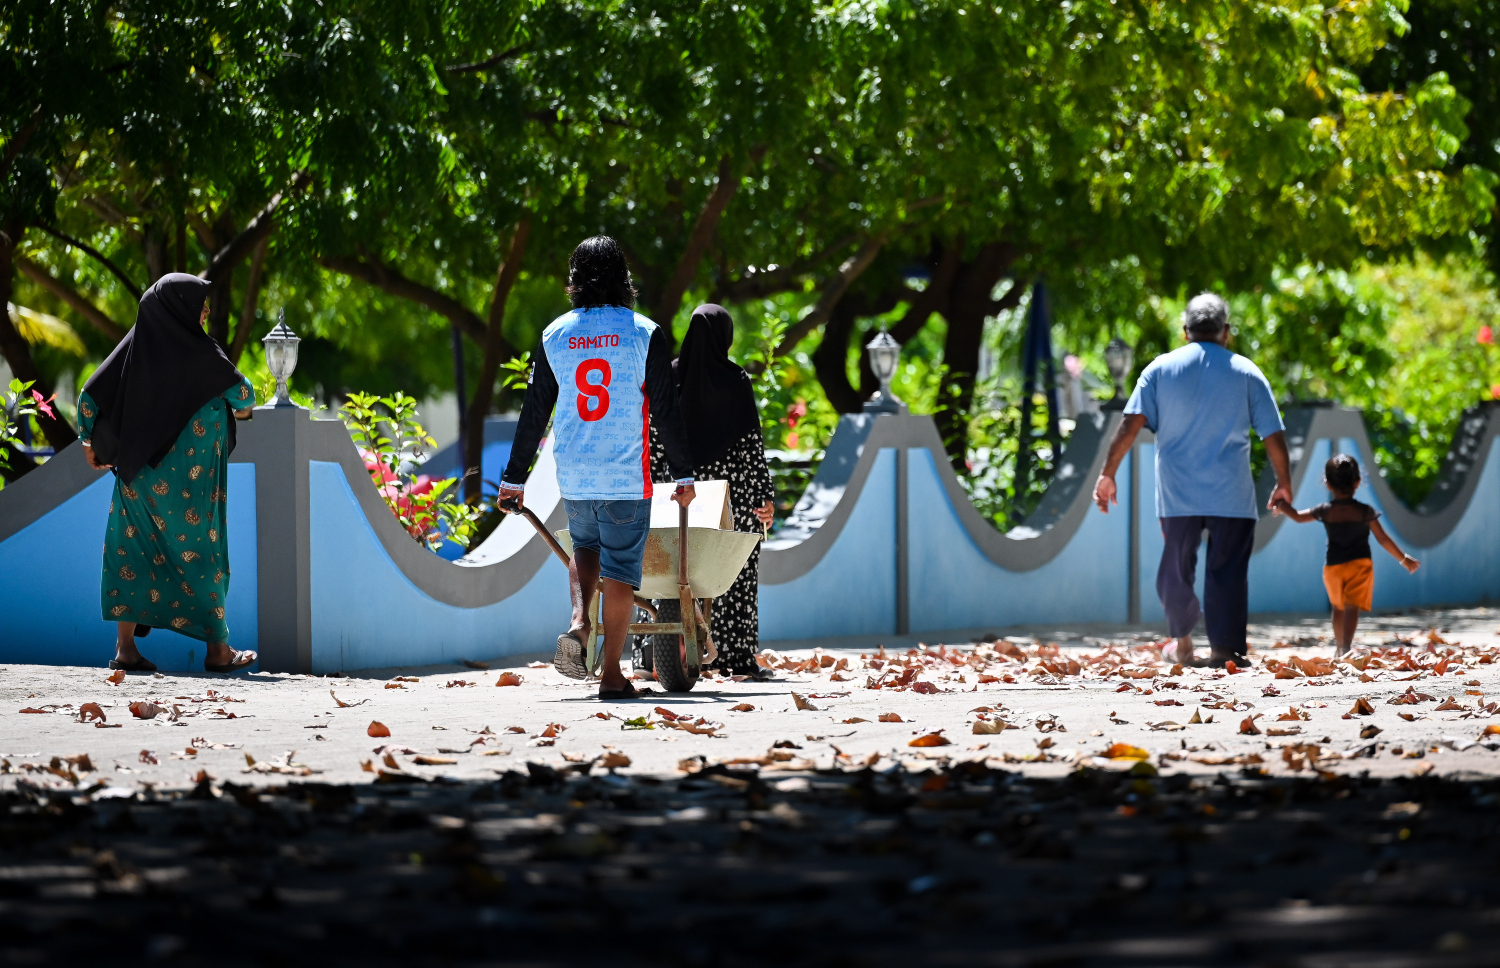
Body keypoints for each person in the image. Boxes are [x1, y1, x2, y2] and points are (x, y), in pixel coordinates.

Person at [498, 236, 696, 700]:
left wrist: (513, 477)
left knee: (584, 546)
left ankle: (578, 621)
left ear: (574, 280)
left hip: (575, 471)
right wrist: (684, 476)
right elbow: (666, 410)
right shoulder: (643, 333)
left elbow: (535, 410)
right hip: (626, 474)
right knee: (622, 571)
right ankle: (611, 674)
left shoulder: (555, 334)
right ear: (623, 278)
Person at [1092, 292, 1294, 668]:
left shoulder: (1158, 370)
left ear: (1185, 332)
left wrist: (1107, 475)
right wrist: (1283, 483)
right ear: (1226, 332)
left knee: (1175, 569)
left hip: (1177, 497)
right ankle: (1226, 651)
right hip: (1232, 497)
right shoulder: (1247, 372)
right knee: (1228, 573)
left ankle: (1182, 641)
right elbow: (1273, 436)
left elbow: (1129, 424)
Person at [77, 273, 258, 674]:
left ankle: (126, 650)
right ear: (179, 307)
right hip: (193, 491)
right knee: (204, 556)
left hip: (138, 481)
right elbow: (245, 396)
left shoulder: (136, 348)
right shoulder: (203, 355)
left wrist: (88, 443)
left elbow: (89, 397)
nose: (206, 310)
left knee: (132, 555)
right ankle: (217, 651)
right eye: (199, 303)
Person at [640, 304, 776, 679]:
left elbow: (654, 439)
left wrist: (647, 489)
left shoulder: (668, 378)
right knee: (735, 572)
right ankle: (735, 657)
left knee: (663, 569)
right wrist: (763, 498)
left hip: (677, 495)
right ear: (724, 336)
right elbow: (751, 448)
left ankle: (651, 656)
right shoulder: (736, 381)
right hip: (728, 497)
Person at [1272, 454, 1419, 654]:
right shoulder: (1364, 511)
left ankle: (1339, 646)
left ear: (1327, 483)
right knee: (1352, 607)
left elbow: (1298, 517)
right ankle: (1345, 646)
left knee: (1338, 608)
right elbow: (1382, 538)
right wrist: (1404, 559)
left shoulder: (1325, 510)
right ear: (1358, 482)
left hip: (1333, 567)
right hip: (1359, 565)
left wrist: (1281, 506)